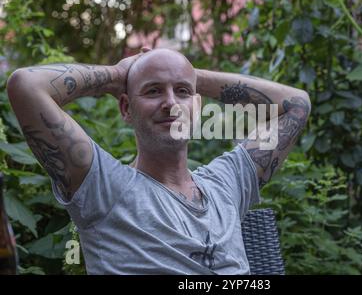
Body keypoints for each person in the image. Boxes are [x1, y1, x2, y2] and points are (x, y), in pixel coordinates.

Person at [6, 47, 310, 274]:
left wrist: (194, 76)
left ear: (198, 105)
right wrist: (117, 74)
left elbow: (296, 104)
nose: (170, 104)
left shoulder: (226, 183)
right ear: (125, 108)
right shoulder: (104, 188)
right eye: (153, 90)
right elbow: (26, 85)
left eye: (181, 92)